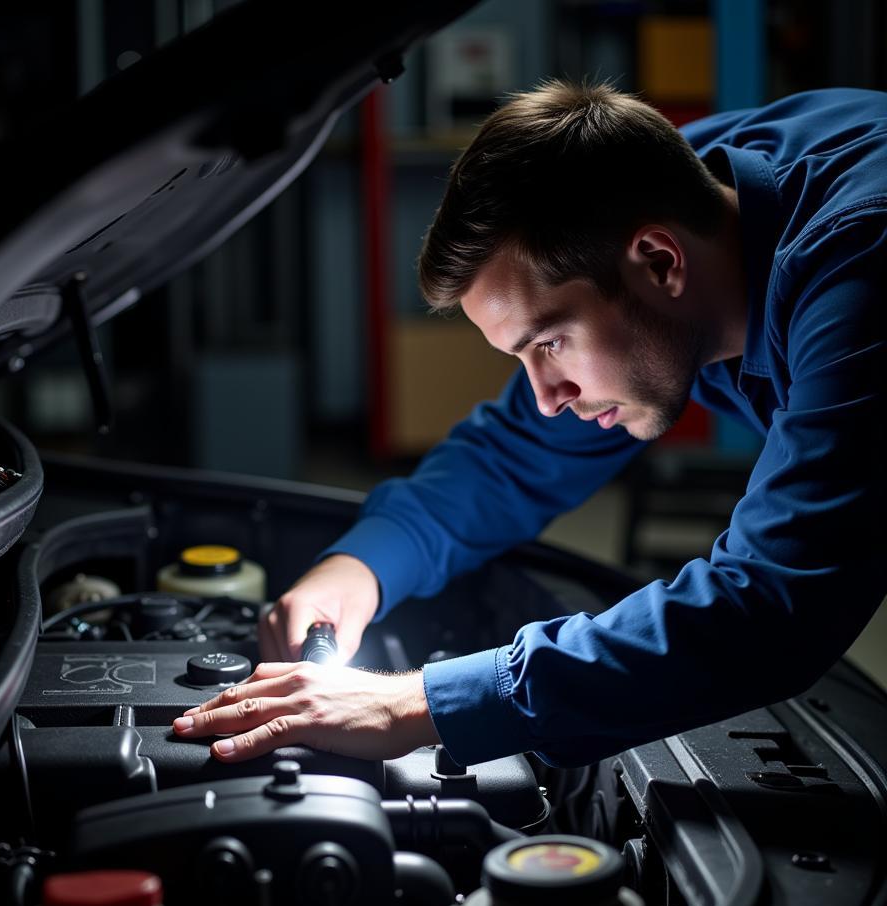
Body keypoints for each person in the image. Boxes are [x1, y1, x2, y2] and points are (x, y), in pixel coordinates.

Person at [172, 81, 886, 768]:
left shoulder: (861, 271)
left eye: (548, 343)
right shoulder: (666, 190)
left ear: (661, 263)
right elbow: (512, 456)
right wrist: (357, 568)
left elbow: (770, 610)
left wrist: (412, 705)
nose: (546, 397)